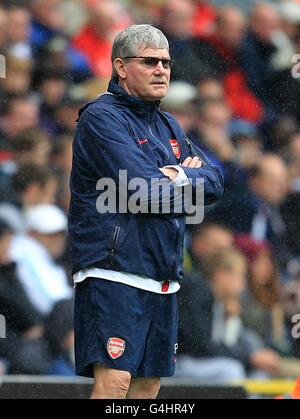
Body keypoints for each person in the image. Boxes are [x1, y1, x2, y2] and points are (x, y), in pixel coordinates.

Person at [69, 24, 224, 399]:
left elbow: (217, 180)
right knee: (115, 382)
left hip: (162, 272)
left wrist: (176, 176)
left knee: (147, 387)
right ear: (121, 67)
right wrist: (185, 177)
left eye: (167, 63)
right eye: (150, 61)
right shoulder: (100, 118)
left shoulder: (168, 123)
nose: (162, 70)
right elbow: (140, 189)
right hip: (114, 270)